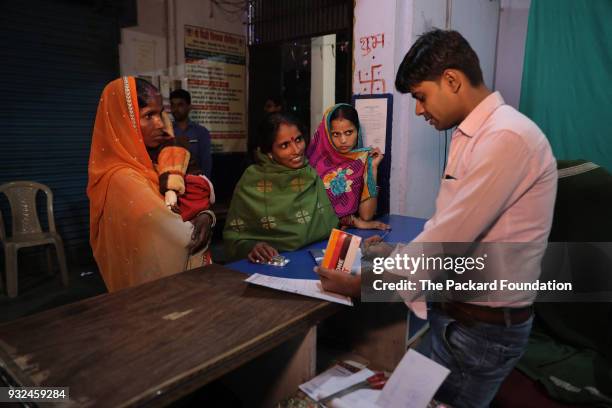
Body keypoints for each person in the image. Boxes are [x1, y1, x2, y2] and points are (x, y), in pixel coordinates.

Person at [316, 29, 557, 407]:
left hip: (478, 332)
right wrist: (385, 258)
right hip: (459, 321)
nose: (418, 109)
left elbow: (446, 238)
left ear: (452, 80)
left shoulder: (506, 138)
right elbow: (443, 225)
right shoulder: (473, 136)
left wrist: (357, 286)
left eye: (420, 97)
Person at [88, 77, 215, 292]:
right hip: (150, 295)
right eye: (148, 115)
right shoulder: (121, 178)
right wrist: (204, 216)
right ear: (123, 120)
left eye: (160, 114)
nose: (160, 124)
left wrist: (205, 214)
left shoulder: (156, 160)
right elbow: (178, 234)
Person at [223, 112, 339, 262]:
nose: (297, 150)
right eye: (285, 145)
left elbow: (330, 225)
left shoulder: (310, 173)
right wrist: (252, 246)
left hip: (319, 258)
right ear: (269, 152)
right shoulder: (252, 181)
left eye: (298, 140)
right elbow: (234, 236)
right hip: (273, 266)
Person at [307, 103, 388, 230]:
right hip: (316, 236)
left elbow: (366, 216)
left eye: (349, 132)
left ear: (358, 131)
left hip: (347, 237)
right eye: (335, 134)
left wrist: (372, 168)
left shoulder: (361, 162)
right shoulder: (313, 164)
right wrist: (354, 222)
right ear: (327, 134)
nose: (343, 140)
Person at [170, 89, 213, 178]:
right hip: (173, 182)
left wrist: (204, 183)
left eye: (180, 105)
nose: (175, 109)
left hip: (195, 181)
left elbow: (206, 162)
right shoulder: (167, 131)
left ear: (189, 107)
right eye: (173, 105)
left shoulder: (201, 132)